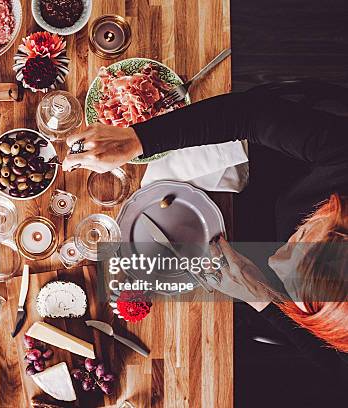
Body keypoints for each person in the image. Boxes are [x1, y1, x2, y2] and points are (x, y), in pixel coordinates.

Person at [62, 91, 347, 360]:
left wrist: (264, 301)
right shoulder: (342, 155)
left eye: (301, 298)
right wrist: (136, 140)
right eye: (300, 243)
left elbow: (327, 361)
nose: (273, 259)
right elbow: (248, 114)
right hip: (277, 169)